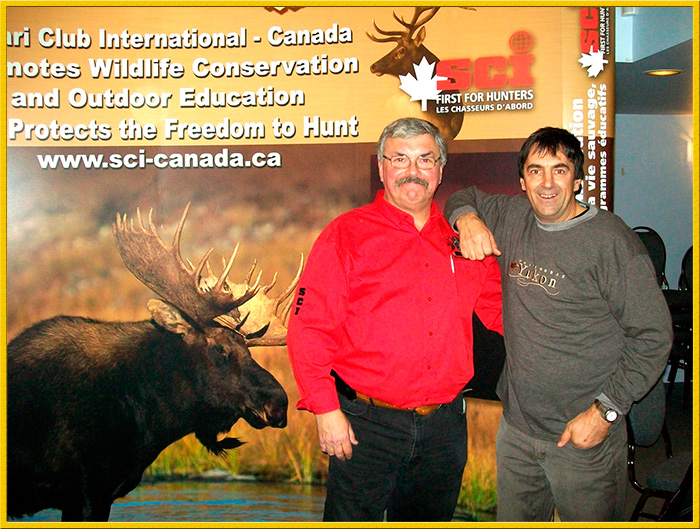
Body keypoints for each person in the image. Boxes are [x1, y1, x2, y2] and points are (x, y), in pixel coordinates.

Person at [444, 126, 673, 522]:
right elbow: (463, 196)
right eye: (535, 171)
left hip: (583, 438)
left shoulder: (611, 242)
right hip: (517, 432)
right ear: (522, 181)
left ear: (577, 180)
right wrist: (468, 220)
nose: (547, 183)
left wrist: (605, 412)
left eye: (559, 170)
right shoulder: (513, 215)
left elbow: (654, 336)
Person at [286, 117, 503, 522]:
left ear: (440, 169)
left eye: (425, 159)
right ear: (382, 167)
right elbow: (309, 327)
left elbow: (505, 314)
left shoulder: (465, 242)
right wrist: (325, 410)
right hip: (365, 427)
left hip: (444, 429)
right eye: (400, 158)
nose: (413, 170)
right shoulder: (345, 234)